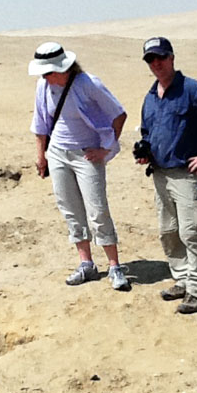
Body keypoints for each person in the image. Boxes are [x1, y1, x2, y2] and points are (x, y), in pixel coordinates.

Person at [137, 37, 197, 313]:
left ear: (172, 58)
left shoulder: (191, 89)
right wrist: (145, 150)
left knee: (194, 230)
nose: (156, 64)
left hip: (191, 176)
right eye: (151, 60)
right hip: (161, 175)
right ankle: (182, 278)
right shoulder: (152, 95)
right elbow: (147, 130)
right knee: (169, 232)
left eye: (161, 58)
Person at [29, 41, 131, 291]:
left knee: (97, 209)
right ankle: (86, 263)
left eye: (49, 72)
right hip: (58, 154)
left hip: (87, 155)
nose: (45, 77)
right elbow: (40, 123)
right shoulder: (43, 86)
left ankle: (114, 266)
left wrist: (106, 148)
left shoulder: (88, 84)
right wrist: (41, 156)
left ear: (63, 68)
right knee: (70, 209)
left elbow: (119, 114)